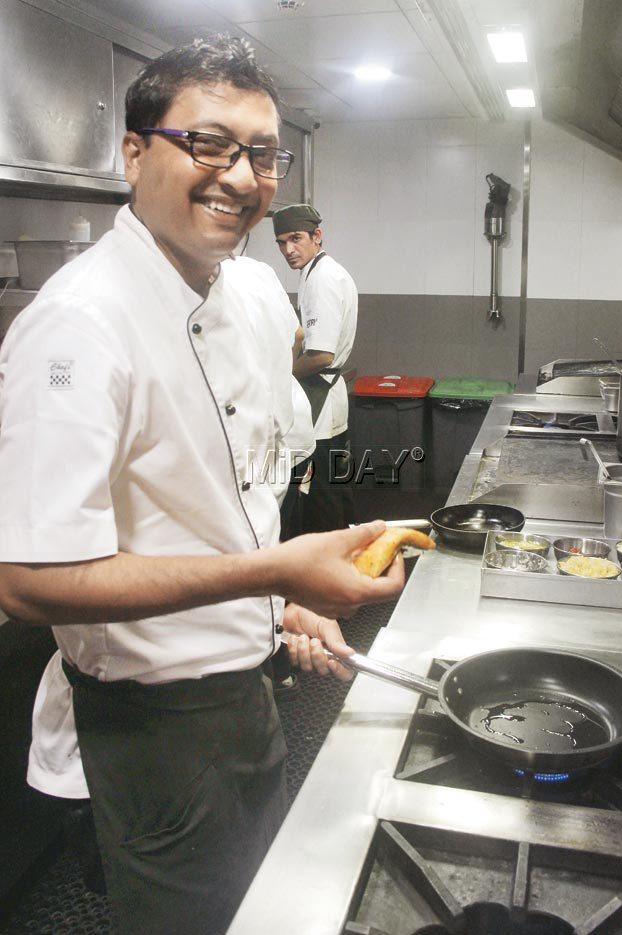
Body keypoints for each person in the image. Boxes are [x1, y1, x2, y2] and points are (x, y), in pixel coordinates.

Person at [0, 36, 403, 935]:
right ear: (135, 151)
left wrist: (278, 607)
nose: (242, 175)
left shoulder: (250, 295)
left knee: (256, 907)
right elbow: (28, 581)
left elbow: (218, 508)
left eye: (262, 152)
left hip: (247, 692)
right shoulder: (77, 326)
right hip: (151, 727)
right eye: (209, 143)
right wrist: (277, 575)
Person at [273, 204, 358, 534]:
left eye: (295, 239)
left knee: (322, 493)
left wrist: (285, 375)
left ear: (316, 236)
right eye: (281, 243)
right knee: (336, 488)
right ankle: (350, 557)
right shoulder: (325, 272)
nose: (288, 250)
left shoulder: (321, 279)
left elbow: (321, 354)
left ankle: (331, 569)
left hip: (320, 398)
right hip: (329, 396)